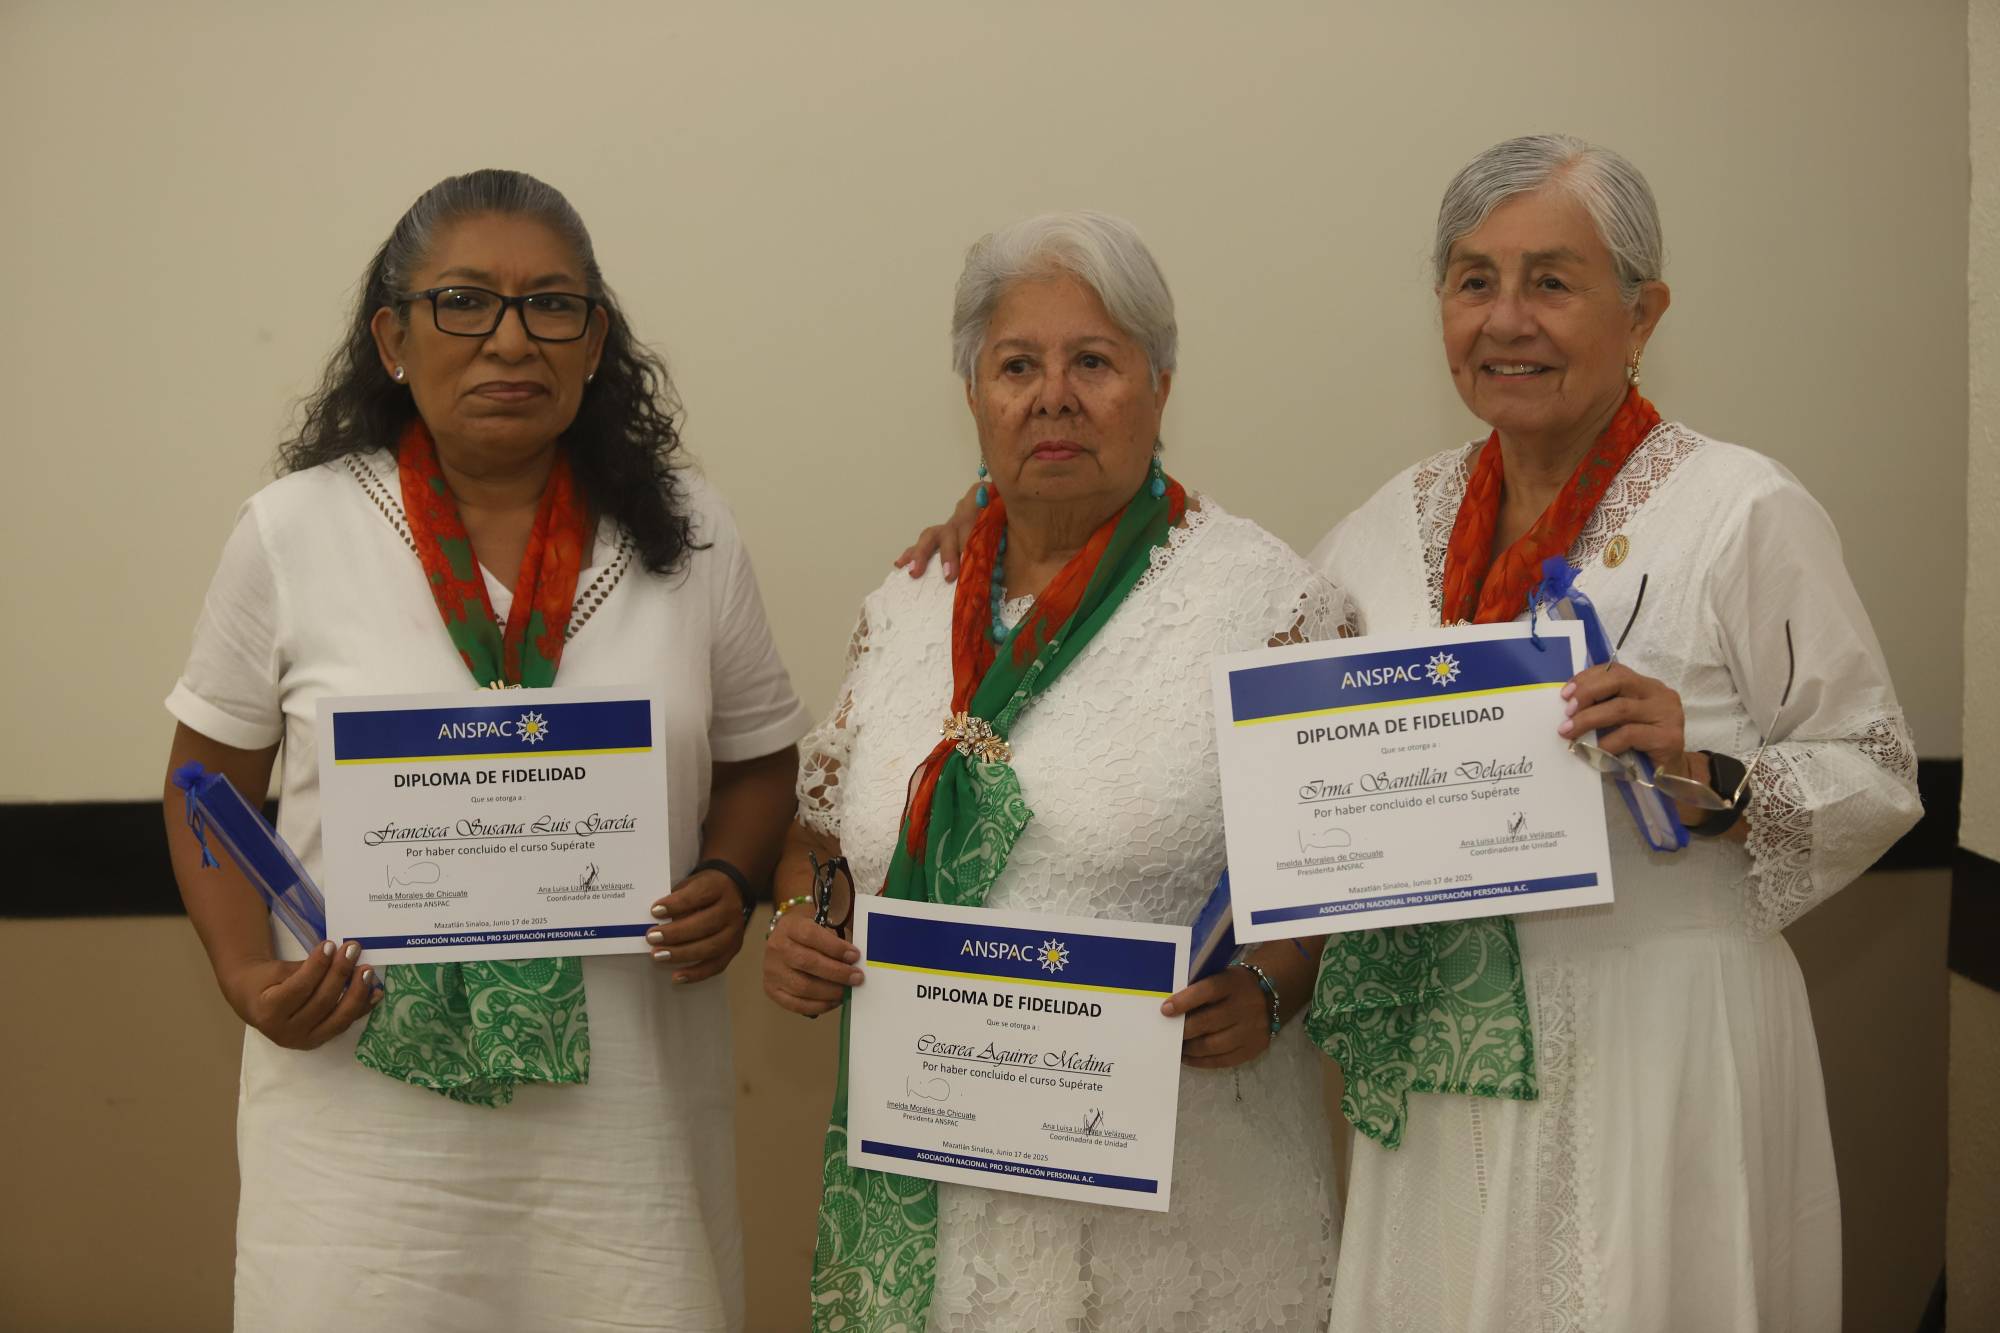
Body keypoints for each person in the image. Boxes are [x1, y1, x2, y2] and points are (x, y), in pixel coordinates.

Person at [902, 137, 1922, 1331]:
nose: (1506, 320)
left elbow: (1875, 767)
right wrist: (999, 509)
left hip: (1663, 1051)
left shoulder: (1737, 510)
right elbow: (1228, 630)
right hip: (1439, 1073)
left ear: (1641, 312)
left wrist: (1711, 770)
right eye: (1471, 281)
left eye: (1550, 281)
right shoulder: (1387, 530)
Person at [161, 168, 809, 1332]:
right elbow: (203, 784)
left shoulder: (691, 531)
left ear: (595, 339)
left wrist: (731, 874)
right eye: (464, 302)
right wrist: (243, 971)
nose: (510, 338)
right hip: (360, 1139)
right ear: (392, 336)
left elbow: (761, 761)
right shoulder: (291, 533)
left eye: (551, 305)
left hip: (627, 1135)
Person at [765, 211, 1346, 1331]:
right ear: (973, 395)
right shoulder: (906, 604)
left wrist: (1278, 982)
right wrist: (804, 916)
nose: (1053, 396)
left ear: (1160, 385)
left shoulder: (1266, 602)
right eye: (1016, 365)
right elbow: (824, 834)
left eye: (1094, 361)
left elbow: (1339, 848)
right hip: (944, 1191)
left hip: (1186, 1197)